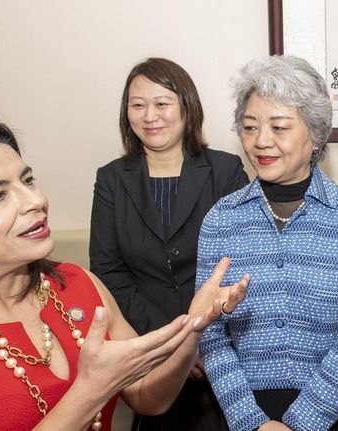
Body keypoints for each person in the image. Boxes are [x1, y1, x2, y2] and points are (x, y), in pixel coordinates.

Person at [0, 117, 249, 430]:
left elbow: (148, 396)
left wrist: (194, 324)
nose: (35, 201)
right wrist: (89, 393)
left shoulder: (78, 286)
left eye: (27, 180)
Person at [196, 55, 338, 431]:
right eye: (249, 128)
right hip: (241, 411)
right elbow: (210, 333)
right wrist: (252, 422)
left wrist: (303, 422)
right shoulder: (221, 219)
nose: (261, 141)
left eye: (279, 127)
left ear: (314, 133)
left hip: (337, 408)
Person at [89, 57, 248, 430]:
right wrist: (175, 342)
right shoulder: (112, 180)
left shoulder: (225, 171)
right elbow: (108, 271)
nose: (150, 116)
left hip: (222, 354)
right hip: (150, 351)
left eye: (162, 103)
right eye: (137, 105)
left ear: (186, 107)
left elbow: (244, 260)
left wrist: (202, 340)